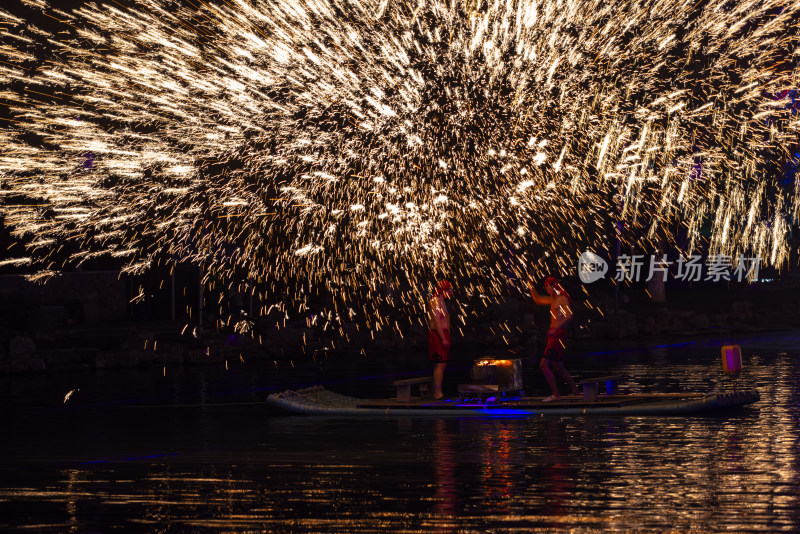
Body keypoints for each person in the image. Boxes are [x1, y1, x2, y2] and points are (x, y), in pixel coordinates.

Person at [528, 276, 580, 401]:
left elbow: (569, 315)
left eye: (547, 288)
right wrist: (530, 284)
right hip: (554, 335)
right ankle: (576, 392)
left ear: (553, 286)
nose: (547, 291)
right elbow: (538, 299)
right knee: (558, 367)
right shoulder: (554, 299)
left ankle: (556, 395)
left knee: (544, 365)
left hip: (557, 335)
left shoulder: (562, 298)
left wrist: (555, 328)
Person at [428, 280, 452, 400]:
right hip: (438, 335)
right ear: (444, 291)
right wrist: (443, 338)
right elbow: (437, 321)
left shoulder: (442, 302)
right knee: (440, 364)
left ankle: (437, 391)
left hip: (443, 334)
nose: (451, 293)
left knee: (442, 364)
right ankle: (438, 393)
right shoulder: (436, 302)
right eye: (450, 290)